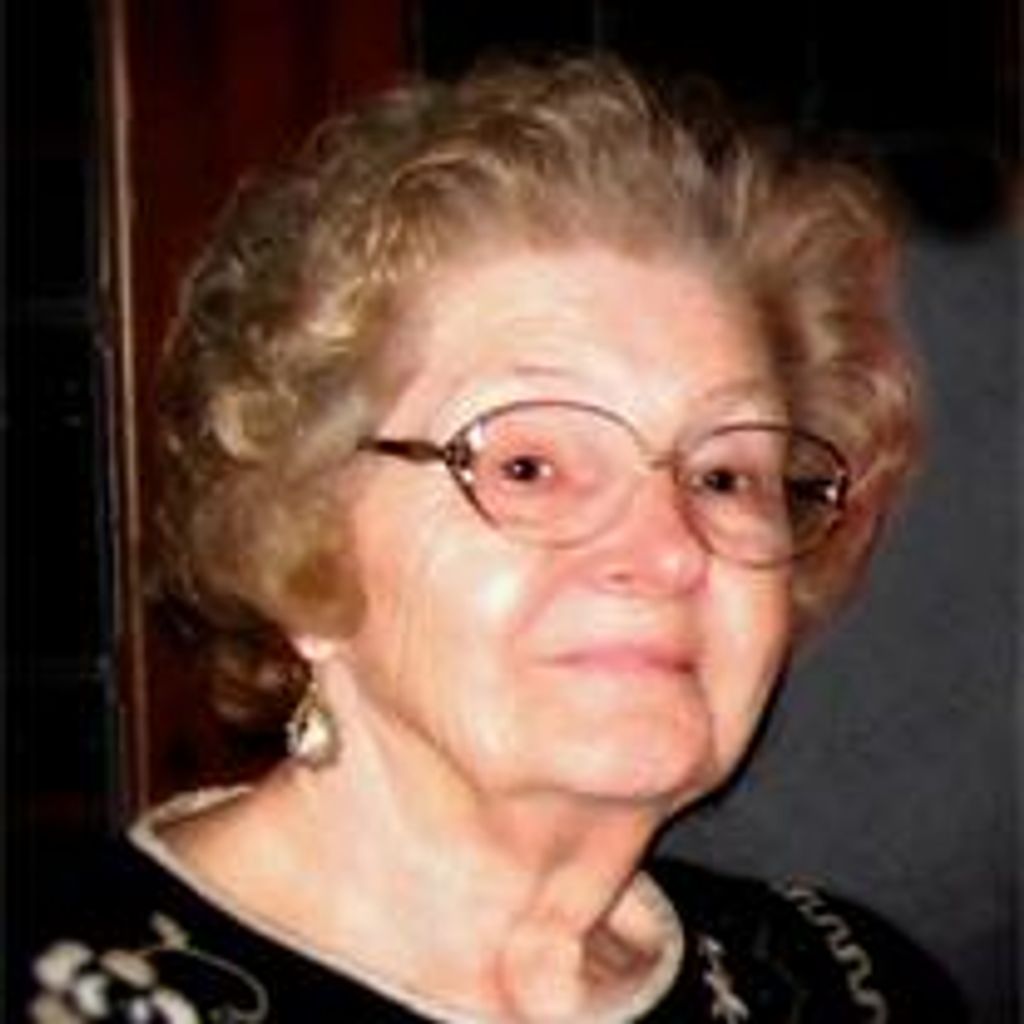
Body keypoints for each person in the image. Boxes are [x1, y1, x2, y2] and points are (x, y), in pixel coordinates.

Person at [20, 57, 967, 1023]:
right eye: (529, 466)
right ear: (303, 539)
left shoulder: (851, 988)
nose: (670, 550)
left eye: (726, 476)